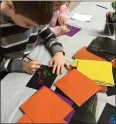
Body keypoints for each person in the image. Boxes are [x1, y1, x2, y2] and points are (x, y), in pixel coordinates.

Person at [0, 1, 70, 80]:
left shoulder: (34, 14)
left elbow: (49, 36)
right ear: (10, 7)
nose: (32, 28)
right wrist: (22, 66)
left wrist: (58, 53)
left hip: (29, 62)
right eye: (28, 24)